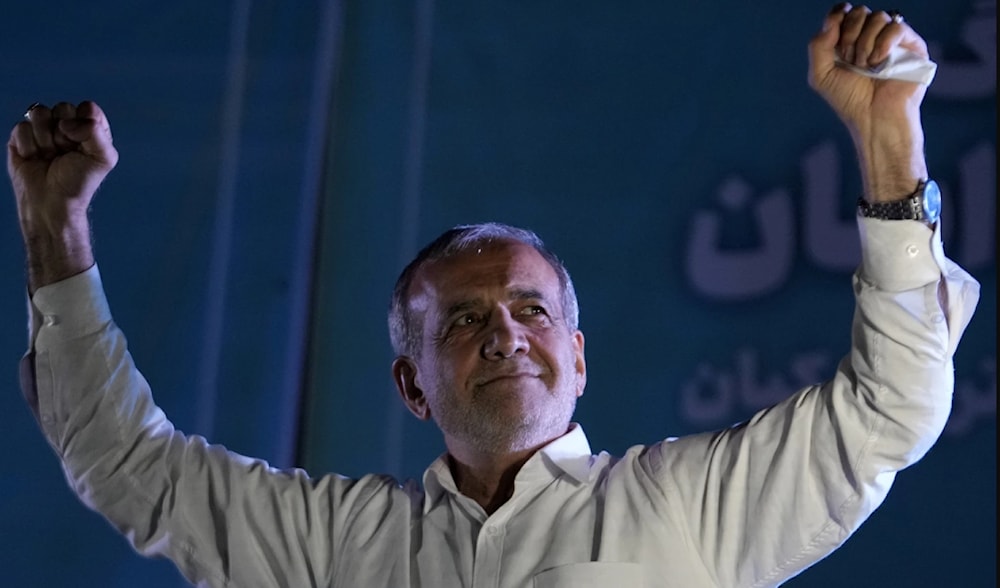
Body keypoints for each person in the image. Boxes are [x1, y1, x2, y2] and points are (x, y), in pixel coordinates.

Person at [7, 5, 980, 588]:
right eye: (464, 321)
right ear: (410, 384)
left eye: (530, 310)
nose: (504, 335)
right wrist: (57, 231)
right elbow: (127, 462)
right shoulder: (340, 545)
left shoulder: (689, 508)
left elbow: (891, 407)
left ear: (580, 356)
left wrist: (888, 138)